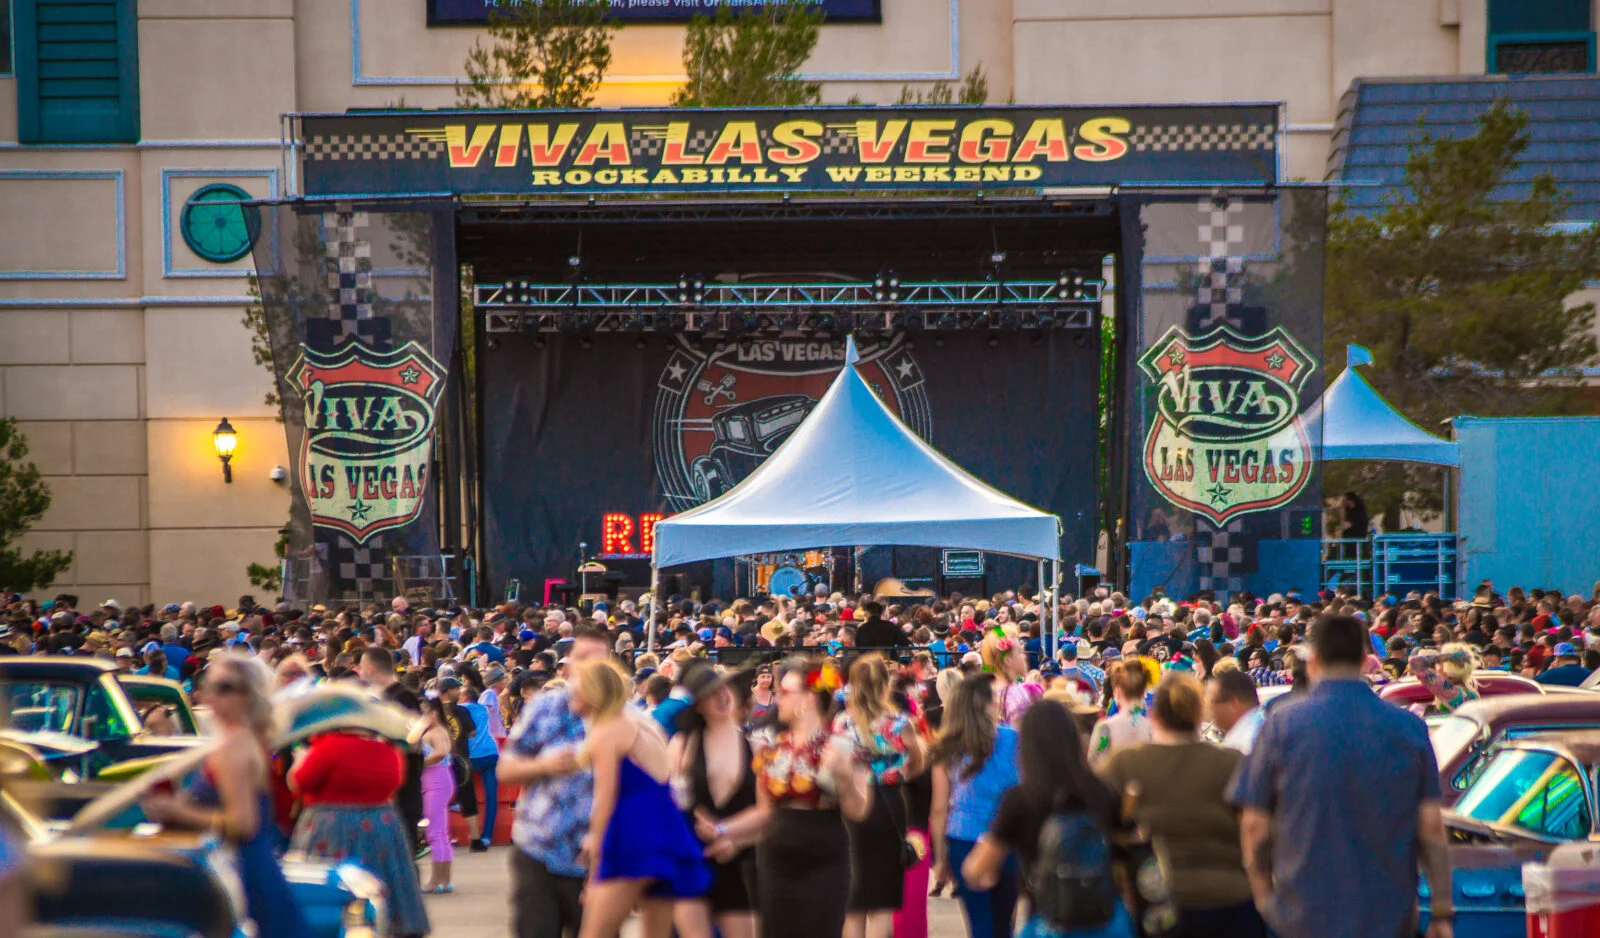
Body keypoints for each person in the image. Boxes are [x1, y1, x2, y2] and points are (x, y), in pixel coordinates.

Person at [1229, 614, 1453, 938]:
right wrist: (1442, 913)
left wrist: (1264, 898)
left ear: (1314, 659)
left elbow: (1253, 826)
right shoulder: (1409, 728)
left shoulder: (1281, 726)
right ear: (1365, 660)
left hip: (1303, 916)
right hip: (1389, 917)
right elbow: (1431, 828)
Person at [138, 656, 311, 938]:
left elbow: (243, 823)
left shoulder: (235, 745)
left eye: (224, 687)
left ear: (248, 694)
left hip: (239, 870)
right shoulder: (242, 739)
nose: (211, 695)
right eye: (209, 685)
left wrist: (175, 810)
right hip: (244, 865)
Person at [708, 657, 872, 938]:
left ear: (807, 699)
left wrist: (844, 777)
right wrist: (725, 833)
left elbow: (858, 812)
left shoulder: (843, 746)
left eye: (785, 692)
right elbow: (763, 812)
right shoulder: (771, 748)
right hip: (775, 861)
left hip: (824, 861)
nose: (778, 699)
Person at [1100, 673, 1261, 936]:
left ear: (1154, 715)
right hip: (1229, 900)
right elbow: (1256, 827)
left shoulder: (1124, 764)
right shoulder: (1231, 762)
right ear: (1200, 714)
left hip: (1153, 902)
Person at [960, 699, 1135, 938]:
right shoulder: (1105, 792)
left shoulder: (1020, 800)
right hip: (1106, 922)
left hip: (1047, 924)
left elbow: (975, 870)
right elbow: (1128, 859)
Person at [566, 658, 710, 938]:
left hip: (634, 828)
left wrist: (595, 855)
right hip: (666, 824)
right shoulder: (642, 723)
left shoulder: (608, 729)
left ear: (593, 692)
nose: (572, 695)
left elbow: (605, 796)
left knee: (595, 932)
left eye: (577, 689)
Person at [499, 627, 611, 938]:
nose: (587, 667)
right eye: (581, 658)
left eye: (596, 659)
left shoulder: (622, 715)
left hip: (597, 858)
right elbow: (505, 770)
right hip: (539, 848)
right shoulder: (545, 707)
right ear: (568, 665)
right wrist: (545, 765)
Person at [287, 712, 430, 938]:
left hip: (330, 825)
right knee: (385, 877)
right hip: (381, 824)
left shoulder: (329, 746)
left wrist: (299, 760)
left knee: (329, 887)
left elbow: (300, 782)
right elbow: (395, 783)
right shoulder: (387, 750)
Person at [835, 655, 926, 938]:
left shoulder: (842, 723)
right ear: (885, 684)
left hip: (851, 804)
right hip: (889, 803)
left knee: (853, 901)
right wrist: (896, 774)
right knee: (882, 902)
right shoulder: (900, 723)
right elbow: (919, 761)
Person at [670, 661, 761, 938]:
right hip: (691, 858)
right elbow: (668, 805)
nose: (722, 696)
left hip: (739, 863)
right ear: (697, 705)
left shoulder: (755, 747)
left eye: (724, 689)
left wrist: (732, 837)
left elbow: (768, 814)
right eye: (711, 693)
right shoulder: (683, 745)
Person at [929, 673, 1021, 938]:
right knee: (1004, 922)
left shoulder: (946, 747)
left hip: (963, 838)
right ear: (984, 703)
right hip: (1006, 839)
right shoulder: (1013, 739)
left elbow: (939, 807)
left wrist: (940, 855)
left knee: (979, 921)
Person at [359, 647, 424, 854]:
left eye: (360, 668)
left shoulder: (402, 698)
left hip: (402, 789)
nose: (359, 673)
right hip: (383, 790)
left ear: (370, 668)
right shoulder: (377, 699)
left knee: (403, 852)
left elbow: (414, 741)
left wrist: (381, 744)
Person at [415, 697, 457, 892]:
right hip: (439, 780)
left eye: (424, 713)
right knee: (441, 832)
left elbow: (441, 752)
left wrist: (420, 764)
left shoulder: (435, 732)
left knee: (434, 833)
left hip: (435, 781)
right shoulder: (439, 730)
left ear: (433, 713)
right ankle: (444, 880)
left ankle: (435, 881)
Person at [1087, 660, 1150, 767]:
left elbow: (1093, 765)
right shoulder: (1153, 729)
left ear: (1117, 691)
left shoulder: (1106, 728)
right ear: (1144, 692)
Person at [980, 628, 1041, 726]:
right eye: (1020, 652)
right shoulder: (1018, 697)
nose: (1025, 656)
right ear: (1008, 660)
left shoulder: (985, 692)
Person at [1408, 643, 1480, 715]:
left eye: (1439, 662)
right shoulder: (1471, 691)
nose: (1436, 666)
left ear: (1447, 667)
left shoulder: (1449, 691)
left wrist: (1448, 656)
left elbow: (1414, 661)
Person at [1205, 668, 1264, 754]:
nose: (1210, 709)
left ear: (1233, 703)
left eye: (1213, 702)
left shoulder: (1241, 743)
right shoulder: (1270, 725)